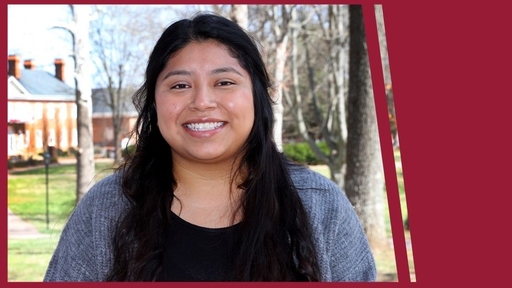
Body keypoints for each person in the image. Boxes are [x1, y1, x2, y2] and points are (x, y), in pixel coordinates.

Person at [44, 12, 376, 282]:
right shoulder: (108, 208)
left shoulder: (320, 204)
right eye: (180, 85)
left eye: (225, 82)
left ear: (258, 97)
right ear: (155, 104)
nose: (202, 101)